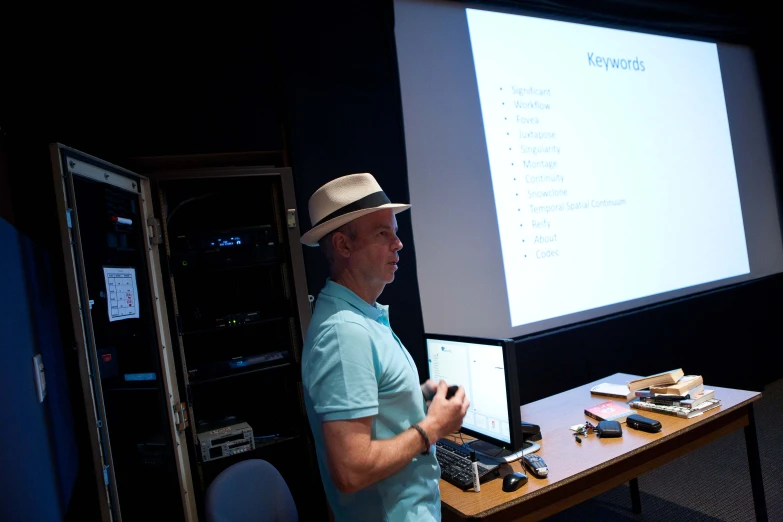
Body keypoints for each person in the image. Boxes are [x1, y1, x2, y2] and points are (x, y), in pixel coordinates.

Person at [299, 173, 469, 521]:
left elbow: (374, 405)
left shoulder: (362, 317)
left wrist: (415, 396)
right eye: (382, 233)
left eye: (395, 231)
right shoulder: (344, 334)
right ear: (344, 246)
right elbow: (351, 471)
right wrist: (433, 426)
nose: (398, 243)